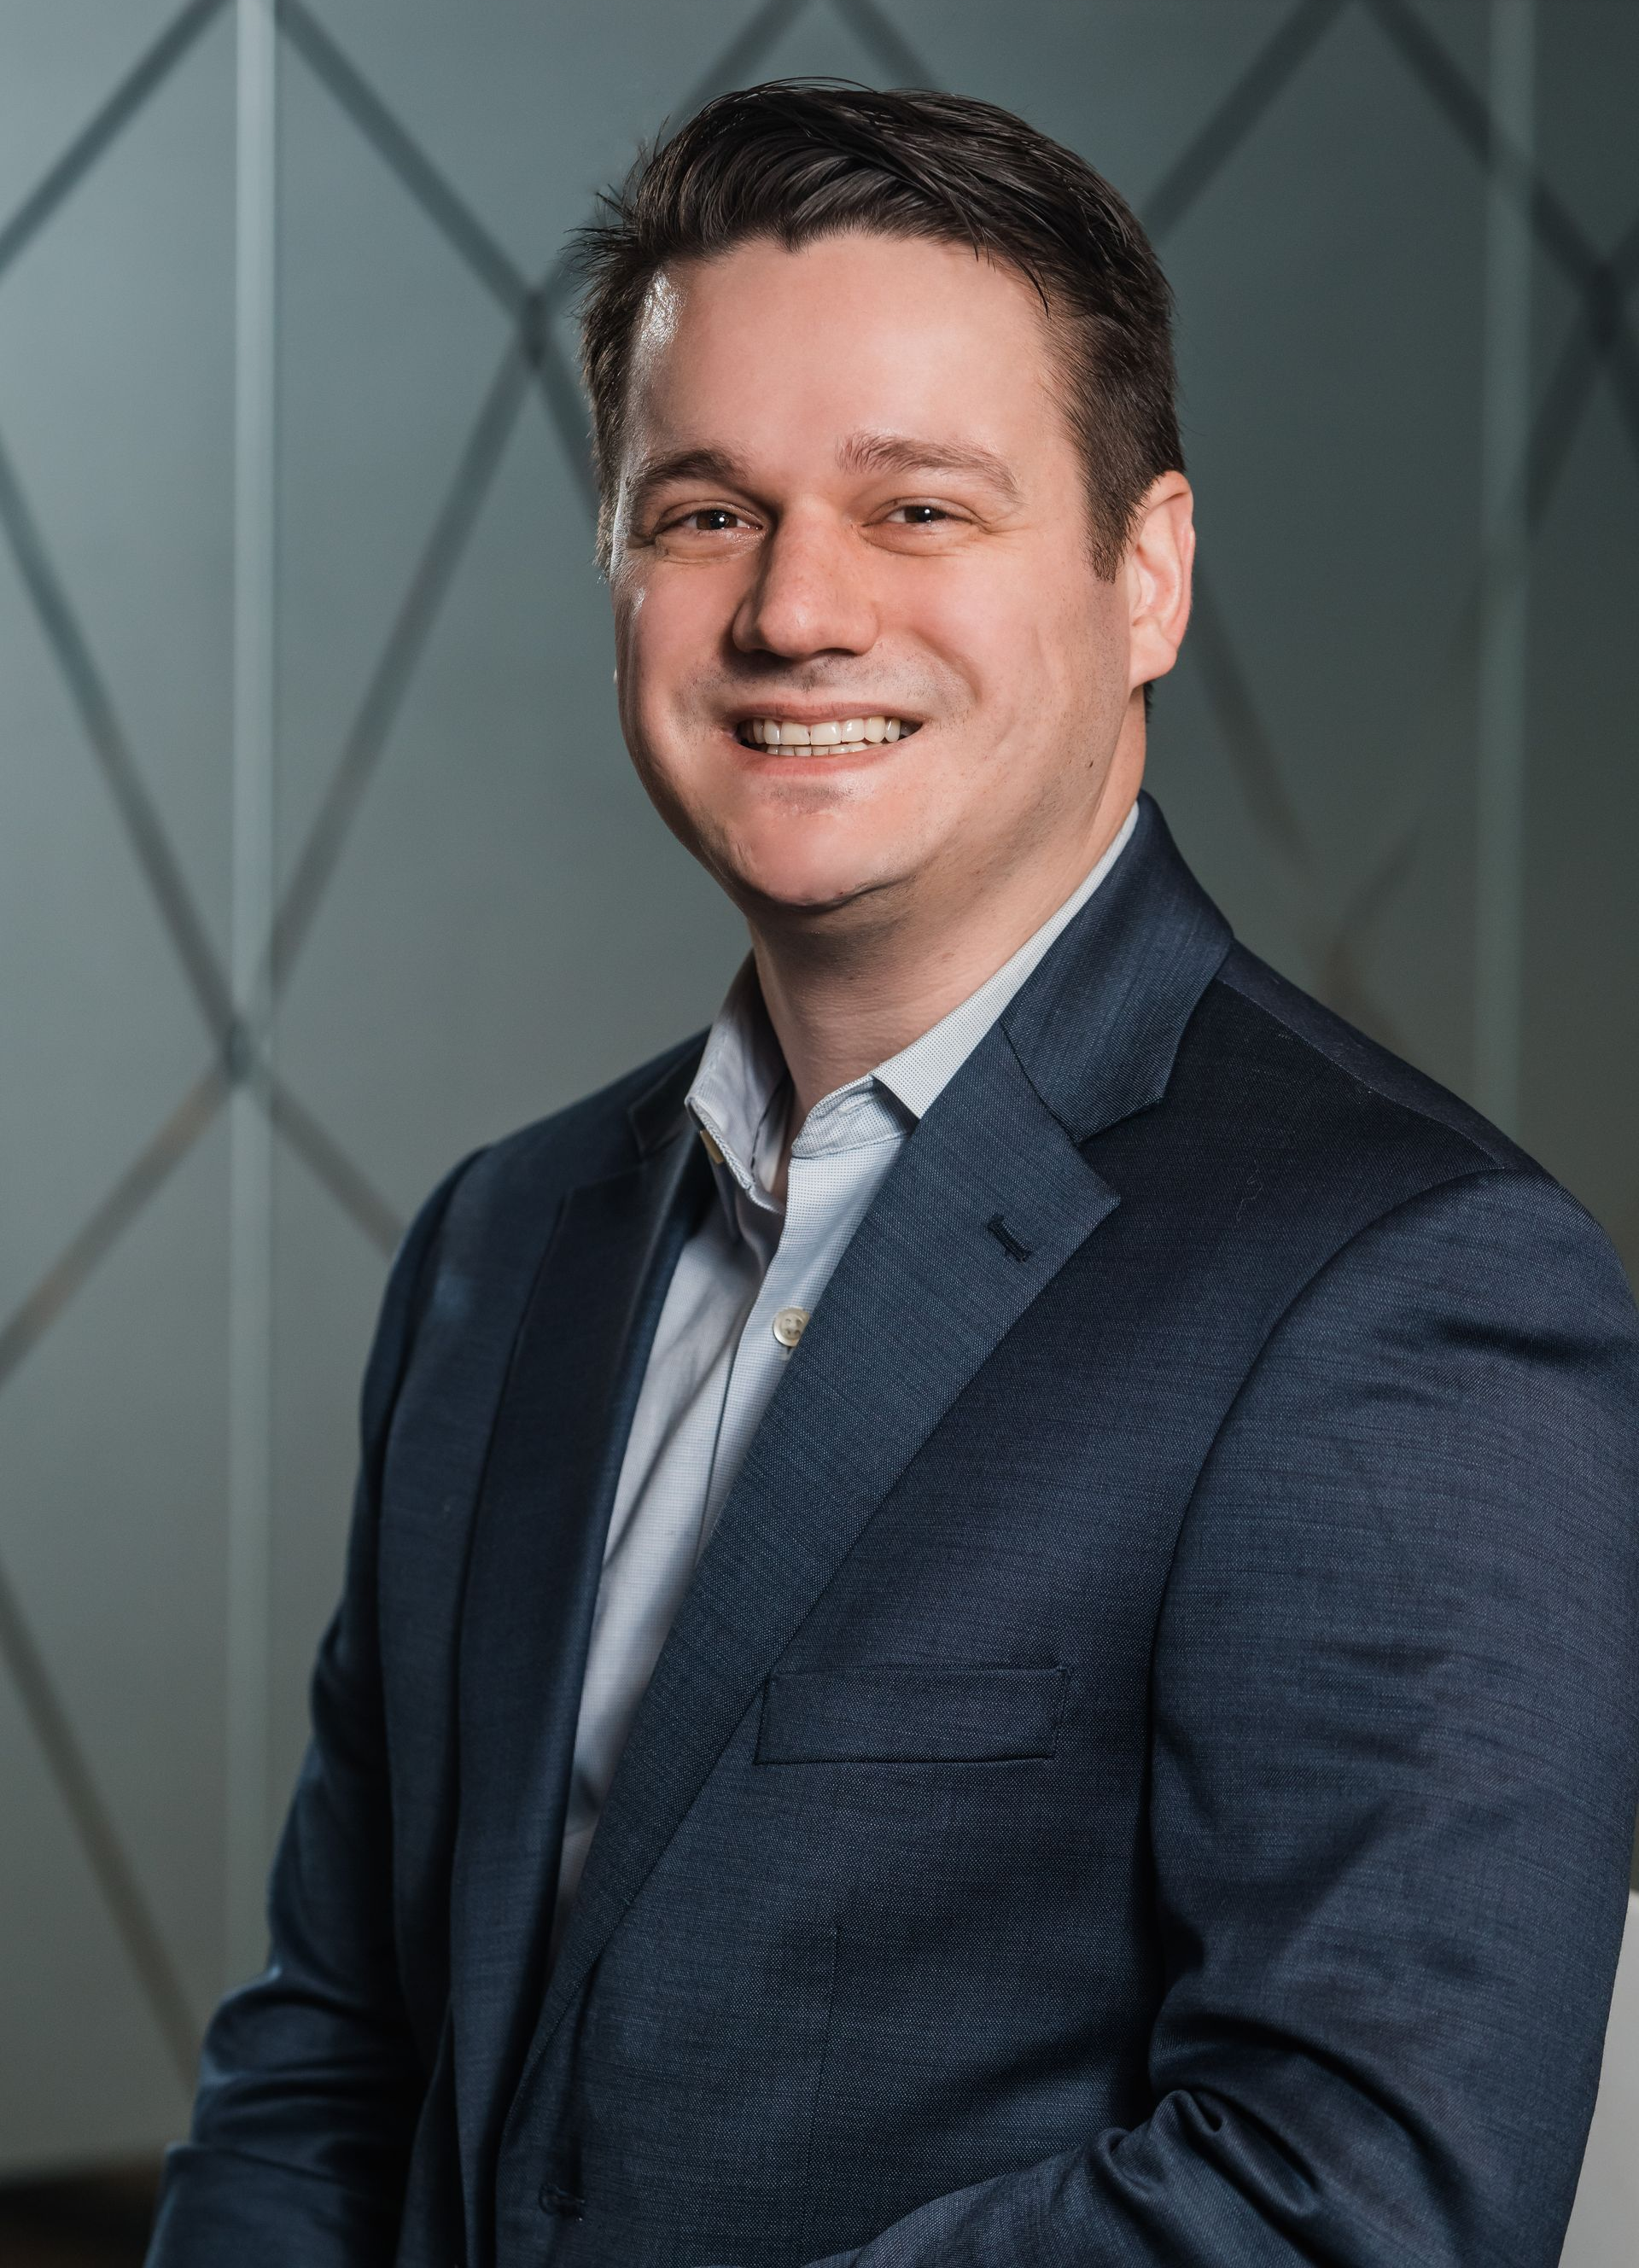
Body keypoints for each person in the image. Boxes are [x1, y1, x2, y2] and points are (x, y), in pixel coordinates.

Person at [147, 81, 1639, 2268]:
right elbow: (339, 2054)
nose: (796, 611)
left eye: (919, 508)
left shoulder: (1406, 1285)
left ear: (1149, 573)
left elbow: (1358, 2206)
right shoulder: (499, 1249)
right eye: (703, 512)